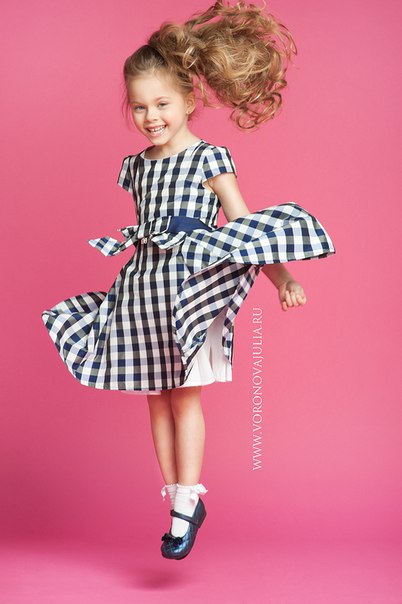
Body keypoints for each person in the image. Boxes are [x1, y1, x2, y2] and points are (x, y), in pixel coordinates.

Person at [41, 0, 336, 560]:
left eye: (162, 104)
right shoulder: (136, 166)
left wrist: (282, 279)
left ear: (188, 100)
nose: (151, 116)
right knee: (155, 399)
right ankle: (176, 498)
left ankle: (187, 501)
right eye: (139, 106)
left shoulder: (209, 159)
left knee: (185, 397)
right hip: (141, 292)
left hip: (190, 291)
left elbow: (245, 229)